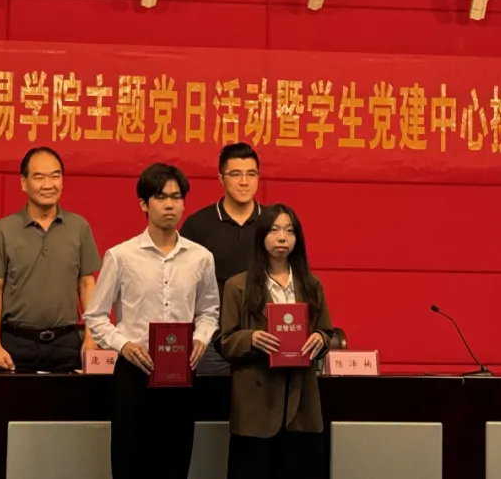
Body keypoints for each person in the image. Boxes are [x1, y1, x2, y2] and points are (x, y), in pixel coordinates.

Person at [83, 163, 220, 479]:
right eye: (161, 197)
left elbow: (209, 311)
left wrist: (201, 338)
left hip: (181, 373)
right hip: (134, 373)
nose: (170, 204)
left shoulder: (201, 257)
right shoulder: (121, 256)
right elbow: (95, 314)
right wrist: (124, 345)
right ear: (144, 204)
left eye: (176, 197)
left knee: (175, 462)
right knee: (130, 463)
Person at [219, 203, 332, 479]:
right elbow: (224, 341)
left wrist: (320, 338)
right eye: (274, 230)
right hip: (255, 405)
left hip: (301, 401)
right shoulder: (238, 286)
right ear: (261, 236)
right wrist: (251, 338)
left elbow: (326, 331)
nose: (282, 237)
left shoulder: (311, 285)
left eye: (289, 231)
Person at [0, 146, 101, 373]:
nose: (48, 185)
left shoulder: (79, 227)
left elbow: (87, 285)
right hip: (16, 344)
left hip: (67, 343)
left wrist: (91, 337)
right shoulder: (4, 230)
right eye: (39, 177)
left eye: (55, 176)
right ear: (24, 182)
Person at [180, 142, 262, 375]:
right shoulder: (198, 225)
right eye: (235, 174)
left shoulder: (273, 224)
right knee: (210, 399)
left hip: (262, 340)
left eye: (251, 174)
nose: (244, 182)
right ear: (221, 179)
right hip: (211, 342)